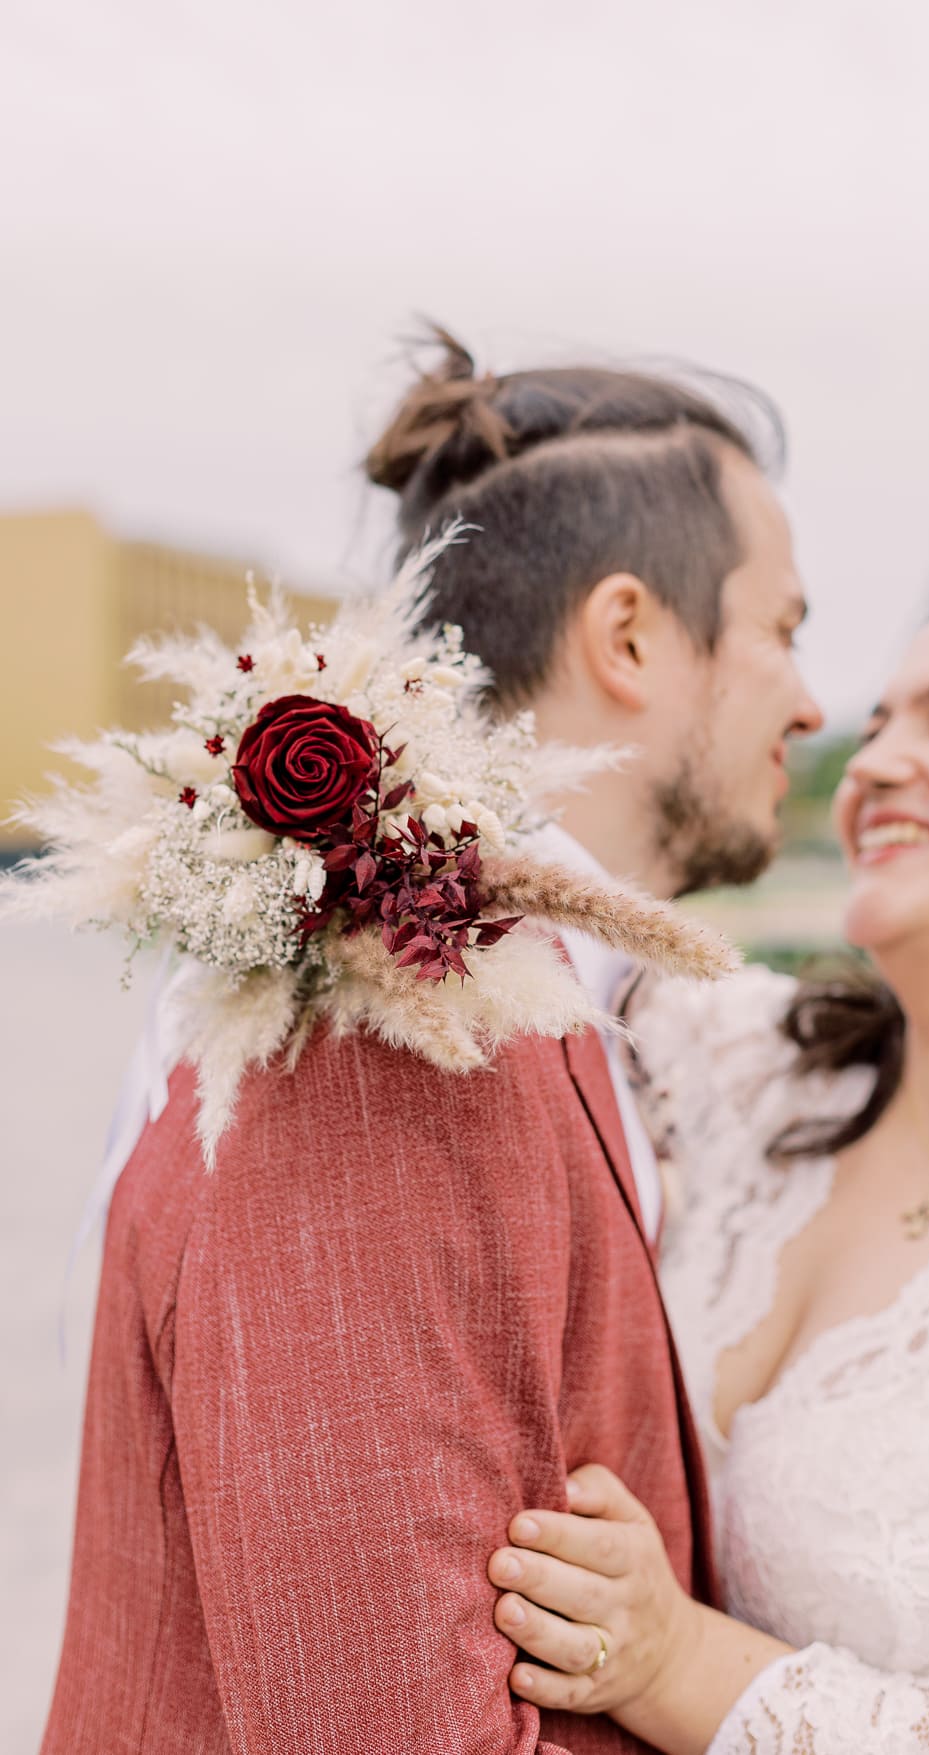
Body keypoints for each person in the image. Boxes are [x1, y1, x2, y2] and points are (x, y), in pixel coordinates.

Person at [40, 332, 822, 1754]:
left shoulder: (517, 993)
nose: (812, 700)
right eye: (782, 627)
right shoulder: (395, 1021)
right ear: (630, 636)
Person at [487, 581, 929, 1753]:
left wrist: (674, 1660)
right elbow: (500, 897)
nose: (872, 764)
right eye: (881, 721)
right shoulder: (751, 1068)